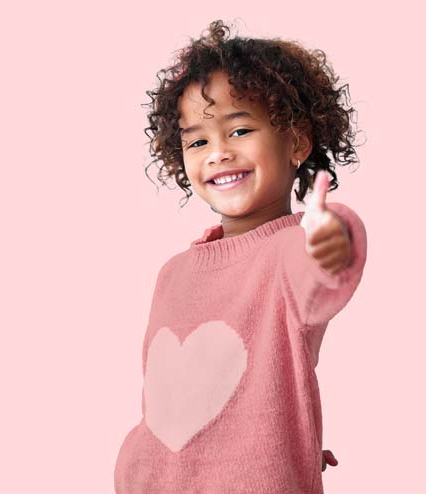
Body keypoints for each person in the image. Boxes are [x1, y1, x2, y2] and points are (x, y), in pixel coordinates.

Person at [114, 19, 367, 493]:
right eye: (198, 141)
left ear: (296, 141)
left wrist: (331, 236)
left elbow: (324, 265)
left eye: (240, 129)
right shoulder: (173, 273)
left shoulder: (291, 253)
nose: (217, 153)